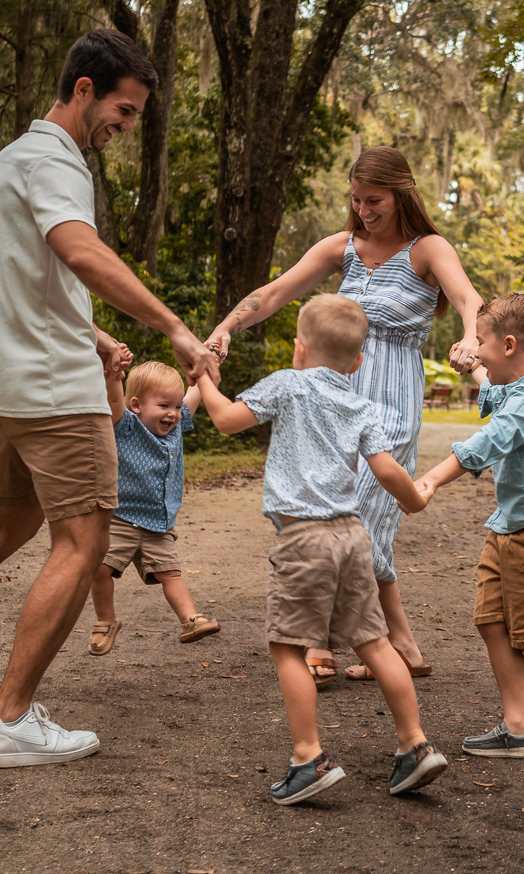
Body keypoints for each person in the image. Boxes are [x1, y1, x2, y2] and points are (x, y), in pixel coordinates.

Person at [0, 28, 220, 768]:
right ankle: (12, 720)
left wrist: (88, 333)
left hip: (1, 384)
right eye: (123, 111)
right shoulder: (57, 161)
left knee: (6, 522)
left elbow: (31, 278)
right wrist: (174, 329)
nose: (124, 128)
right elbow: (79, 252)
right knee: (84, 543)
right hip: (54, 393)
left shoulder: (12, 158)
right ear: (83, 89)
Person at [207, 146, 484, 687]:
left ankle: (320, 640)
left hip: (391, 403)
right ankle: (398, 640)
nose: (363, 211)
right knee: (346, 520)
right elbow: (274, 292)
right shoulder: (344, 248)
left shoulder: (427, 249)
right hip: (331, 403)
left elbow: (469, 299)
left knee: (352, 517)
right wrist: (225, 327)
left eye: (374, 200)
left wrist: (471, 338)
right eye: (356, 200)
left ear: (401, 193)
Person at [195, 294, 449, 804]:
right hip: (354, 536)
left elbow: (224, 420)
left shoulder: (288, 384)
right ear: (358, 362)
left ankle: (308, 758)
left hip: (302, 539)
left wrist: (204, 376)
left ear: (298, 350)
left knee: (288, 647)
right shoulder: (363, 404)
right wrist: (415, 500)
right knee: (376, 644)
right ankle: (415, 747)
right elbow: (385, 471)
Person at [411, 293, 524, 758]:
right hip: (509, 528)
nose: (476, 349)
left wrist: (430, 479)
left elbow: (493, 436)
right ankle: (519, 727)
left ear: (508, 345)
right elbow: (496, 391)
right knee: (491, 622)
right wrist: (473, 369)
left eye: (481, 342)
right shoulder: (520, 388)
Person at [87, 359, 220, 655]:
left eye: (176, 406)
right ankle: (105, 621)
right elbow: (113, 398)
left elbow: (195, 389)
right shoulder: (125, 426)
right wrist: (113, 374)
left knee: (170, 573)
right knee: (100, 569)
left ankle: (190, 620)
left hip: (159, 523)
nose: (173, 413)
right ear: (136, 405)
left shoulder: (175, 428)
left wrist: (206, 360)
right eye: (164, 406)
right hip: (121, 518)